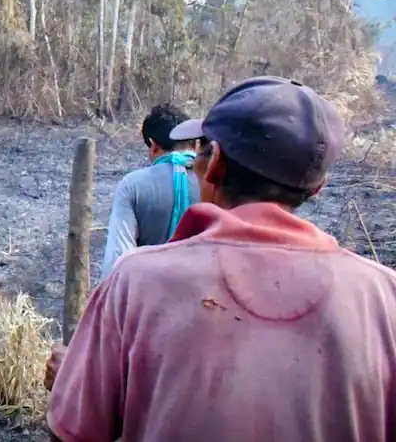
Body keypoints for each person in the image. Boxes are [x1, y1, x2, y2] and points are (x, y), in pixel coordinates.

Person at [45, 76, 396, 441]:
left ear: (213, 164)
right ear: (317, 188)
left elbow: (72, 434)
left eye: (200, 150)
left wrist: (74, 380)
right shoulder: (385, 298)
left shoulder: (135, 282)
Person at [98, 103, 202, 282]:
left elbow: (117, 259)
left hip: (148, 300)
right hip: (208, 301)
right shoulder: (216, 181)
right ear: (194, 145)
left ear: (153, 146)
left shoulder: (134, 185)